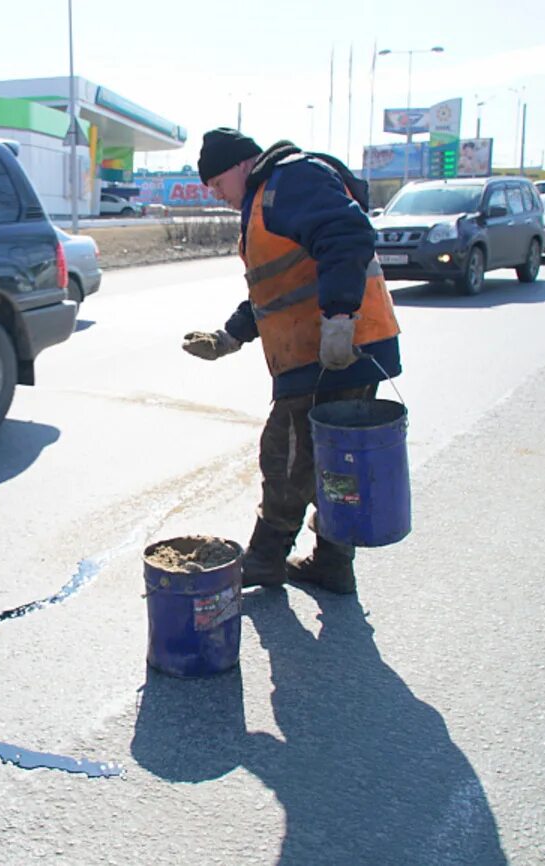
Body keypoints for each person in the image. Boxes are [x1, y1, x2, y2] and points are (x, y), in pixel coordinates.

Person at [182, 128, 402, 594]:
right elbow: (277, 288)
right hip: (323, 348)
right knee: (332, 459)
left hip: (337, 347)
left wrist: (340, 318)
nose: (216, 195)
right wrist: (229, 336)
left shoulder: (290, 181)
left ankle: (265, 559)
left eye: (217, 183)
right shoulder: (267, 198)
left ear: (242, 165)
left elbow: (347, 235)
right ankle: (333, 560)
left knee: (285, 456)